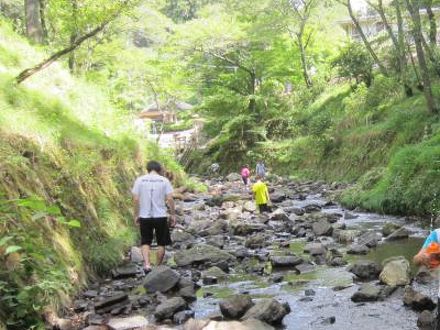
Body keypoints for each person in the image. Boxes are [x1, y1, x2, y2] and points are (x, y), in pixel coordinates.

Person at [132, 160, 176, 273]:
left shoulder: (140, 180)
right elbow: (170, 198)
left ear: (147, 169)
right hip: (160, 216)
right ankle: (157, 267)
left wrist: (136, 214)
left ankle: (147, 265)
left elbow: (136, 199)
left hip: (145, 216)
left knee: (145, 241)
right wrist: (173, 214)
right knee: (161, 242)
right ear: (159, 169)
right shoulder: (164, 180)